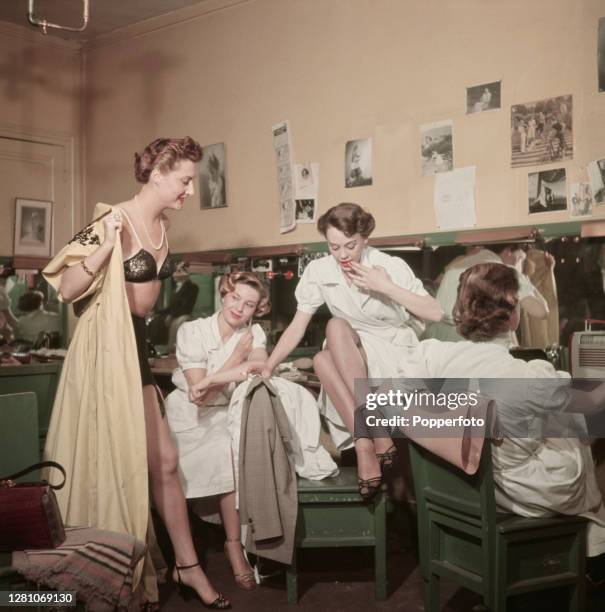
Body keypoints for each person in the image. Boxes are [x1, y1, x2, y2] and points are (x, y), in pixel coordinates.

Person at [42, 137, 231, 609]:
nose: (190, 190)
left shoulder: (164, 226)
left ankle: (187, 569)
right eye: (185, 180)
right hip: (103, 353)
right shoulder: (111, 218)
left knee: (164, 462)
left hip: (137, 349)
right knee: (116, 464)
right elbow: (66, 287)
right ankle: (108, 572)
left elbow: (143, 303)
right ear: (158, 173)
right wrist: (105, 250)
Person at [406, 262, 605, 584]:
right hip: (520, 489)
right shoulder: (524, 375)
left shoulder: (432, 357)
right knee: (581, 430)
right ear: (511, 313)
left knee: (555, 418)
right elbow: (594, 402)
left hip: (465, 484)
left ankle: (593, 548)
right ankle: (594, 549)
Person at [259, 203, 442, 500]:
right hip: (351, 353)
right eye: (334, 247)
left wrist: (385, 286)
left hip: (394, 352)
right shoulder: (320, 270)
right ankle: (368, 441)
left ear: (365, 238)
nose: (343, 255)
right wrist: (269, 365)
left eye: (350, 245)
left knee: (328, 343)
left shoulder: (388, 265)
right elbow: (297, 326)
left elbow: (435, 312)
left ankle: (367, 438)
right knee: (328, 342)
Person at [170, 272, 337, 578]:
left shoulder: (254, 334)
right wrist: (235, 359)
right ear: (223, 294)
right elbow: (199, 396)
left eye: (249, 304)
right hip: (191, 419)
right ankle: (202, 552)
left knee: (236, 453)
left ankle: (235, 545)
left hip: (227, 413)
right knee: (222, 456)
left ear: (257, 308)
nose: (239, 309)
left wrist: (213, 376)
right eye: (235, 298)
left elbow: (259, 368)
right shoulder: (192, 331)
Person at [424, 243, 550, 344]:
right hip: (478, 349)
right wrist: (526, 280)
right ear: (508, 251)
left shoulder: (454, 266)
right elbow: (542, 311)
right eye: (520, 259)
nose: (519, 264)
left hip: (443, 346)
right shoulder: (506, 272)